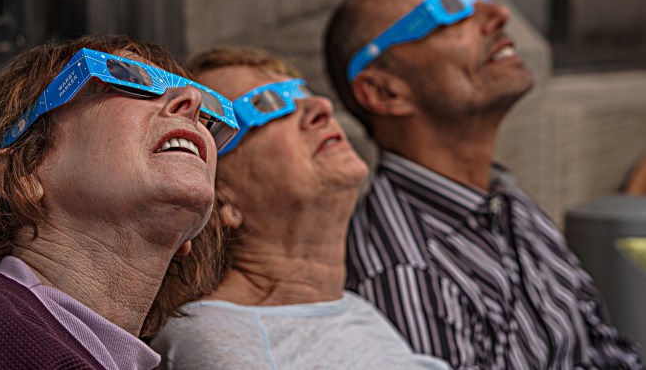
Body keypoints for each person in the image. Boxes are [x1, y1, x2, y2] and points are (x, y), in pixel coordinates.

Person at [324, 0, 643, 369]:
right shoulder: (407, 271)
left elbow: (606, 349)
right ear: (384, 91)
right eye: (450, 10)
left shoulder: (502, 199)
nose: (498, 14)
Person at [0, 35, 239, 369]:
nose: (192, 100)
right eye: (131, 80)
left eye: (210, 117)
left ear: (187, 240)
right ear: (22, 171)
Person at [151, 46, 451, 370]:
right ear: (221, 197)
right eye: (268, 104)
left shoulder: (358, 312)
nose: (322, 106)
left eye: (303, 93)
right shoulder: (214, 339)